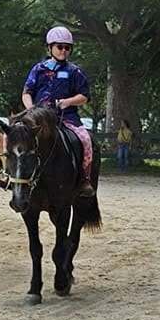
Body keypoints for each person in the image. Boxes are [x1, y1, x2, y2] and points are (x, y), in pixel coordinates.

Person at [20, 25, 94, 196]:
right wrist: (31, 109)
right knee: (11, 135)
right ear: (50, 47)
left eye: (67, 47)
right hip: (38, 117)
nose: (63, 50)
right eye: (59, 47)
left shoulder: (75, 71)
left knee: (85, 140)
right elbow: (26, 93)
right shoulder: (38, 69)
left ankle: (84, 179)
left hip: (67, 118)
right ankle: (9, 175)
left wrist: (67, 102)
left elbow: (84, 96)